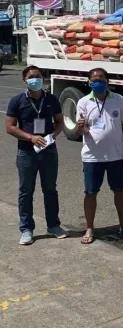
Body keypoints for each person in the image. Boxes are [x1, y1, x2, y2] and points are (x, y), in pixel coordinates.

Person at [5, 65, 67, 245]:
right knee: (26, 191)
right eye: (31, 77)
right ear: (24, 80)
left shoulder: (52, 99)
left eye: (38, 76)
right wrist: (30, 138)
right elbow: (10, 127)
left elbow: (59, 122)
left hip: (49, 151)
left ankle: (53, 225)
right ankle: (26, 229)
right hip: (26, 152)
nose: (35, 79)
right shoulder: (17, 101)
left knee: (50, 189)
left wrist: (53, 136)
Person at [75, 68, 123, 245]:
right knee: (90, 192)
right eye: (94, 79)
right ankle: (89, 227)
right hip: (92, 157)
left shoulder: (118, 99)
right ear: (89, 82)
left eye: (101, 78)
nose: (98, 82)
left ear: (107, 81)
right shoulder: (84, 102)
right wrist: (82, 128)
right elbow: (81, 130)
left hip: (116, 155)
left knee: (119, 191)